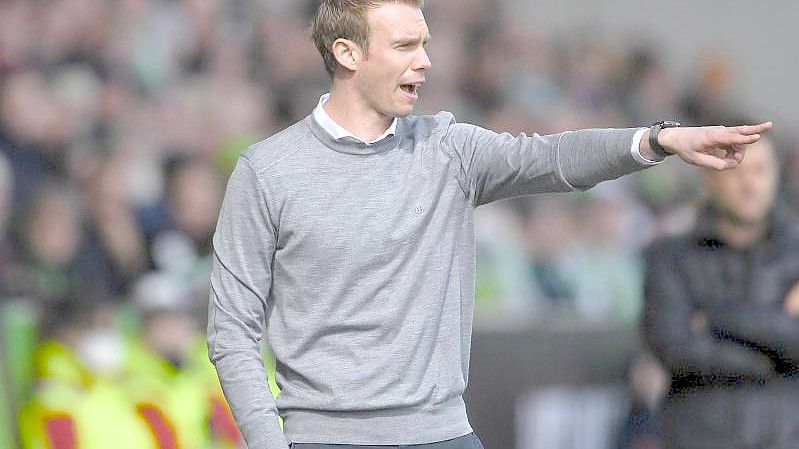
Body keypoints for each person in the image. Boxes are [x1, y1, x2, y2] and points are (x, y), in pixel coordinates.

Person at [207, 2, 772, 448]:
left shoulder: (448, 149)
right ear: (348, 54)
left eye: (425, 43)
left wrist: (656, 140)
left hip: (445, 435)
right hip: (324, 440)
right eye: (405, 45)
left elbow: (554, 158)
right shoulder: (267, 171)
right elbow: (232, 329)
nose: (425, 60)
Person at [642, 135, 799, 449]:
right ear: (708, 178)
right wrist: (775, 357)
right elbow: (673, 348)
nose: (750, 184)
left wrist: (715, 318)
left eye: (760, 170)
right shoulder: (670, 257)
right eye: (737, 171)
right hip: (697, 435)